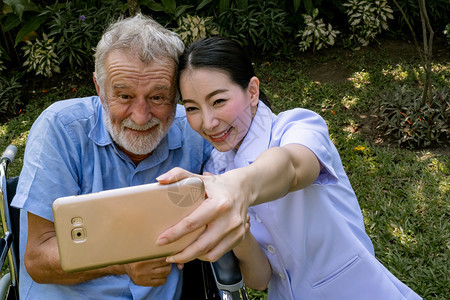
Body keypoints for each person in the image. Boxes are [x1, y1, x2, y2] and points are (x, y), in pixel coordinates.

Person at [155, 36, 422, 299]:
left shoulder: (298, 126)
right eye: (192, 108)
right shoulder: (216, 169)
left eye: (218, 101)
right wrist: (238, 231)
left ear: (252, 91)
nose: (208, 122)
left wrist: (237, 187)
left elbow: (292, 167)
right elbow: (259, 279)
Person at [11, 14, 216, 299]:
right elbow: (37, 259)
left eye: (158, 97)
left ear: (177, 93)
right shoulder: (60, 129)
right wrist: (123, 263)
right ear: (99, 89)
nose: (142, 116)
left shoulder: (195, 130)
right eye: (124, 97)